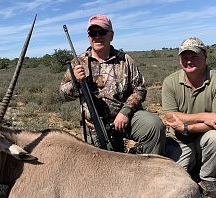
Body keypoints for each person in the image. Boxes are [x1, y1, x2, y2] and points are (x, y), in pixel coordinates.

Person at [60, 14, 165, 154]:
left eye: (102, 32)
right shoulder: (78, 63)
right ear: (88, 37)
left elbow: (140, 89)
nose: (97, 36)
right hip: (94, 125)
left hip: (126, 118)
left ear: (111, 35)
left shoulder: (125, 60)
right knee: (104, 158)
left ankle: (152, 171)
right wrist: (76, 83)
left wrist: (125, 112)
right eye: (92, 32)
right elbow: (63, 94)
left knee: (154, 126)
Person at [162, 37, 216, 192]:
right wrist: (204, 116)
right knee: (177, 178)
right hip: (178, 138)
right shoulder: (170, 81)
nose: (189, 61)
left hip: (203, 135)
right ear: (180, 60)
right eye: (185, 57)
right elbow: (170, 117)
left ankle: (208, 178)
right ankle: (194, 163)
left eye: (194, 56)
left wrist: (186, 126)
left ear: (205, 56)